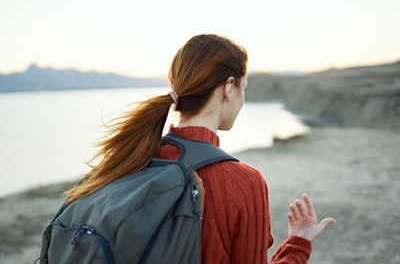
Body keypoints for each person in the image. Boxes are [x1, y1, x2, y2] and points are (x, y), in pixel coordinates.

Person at [63, 33, 335, 263]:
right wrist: (298, 244)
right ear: (229, 88)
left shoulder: (129, 161)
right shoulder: (244, 182)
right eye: (244, 88)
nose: (242, 99)